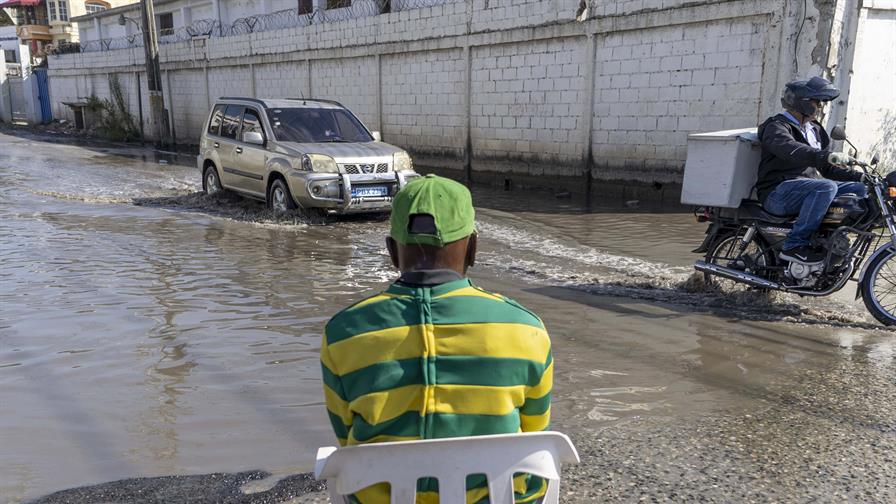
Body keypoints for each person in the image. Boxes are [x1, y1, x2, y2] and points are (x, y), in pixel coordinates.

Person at [320, 174, 553, 504]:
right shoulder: (527, 330)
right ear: (473, 248)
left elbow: (347, 441)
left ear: (391, 251)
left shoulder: (343, 333)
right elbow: (534, 438)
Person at [755, 76, 867, 264]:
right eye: (818, 102)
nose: (821, 107)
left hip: (807, 189)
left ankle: (831, 235)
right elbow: (789, 149)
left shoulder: (815, 130)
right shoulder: (776, 126)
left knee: (860, 189)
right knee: (826, 187)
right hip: (777, 192)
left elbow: (827, 169)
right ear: (803, 103)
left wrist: (861, 176)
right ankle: (794, 244)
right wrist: (824, 155)